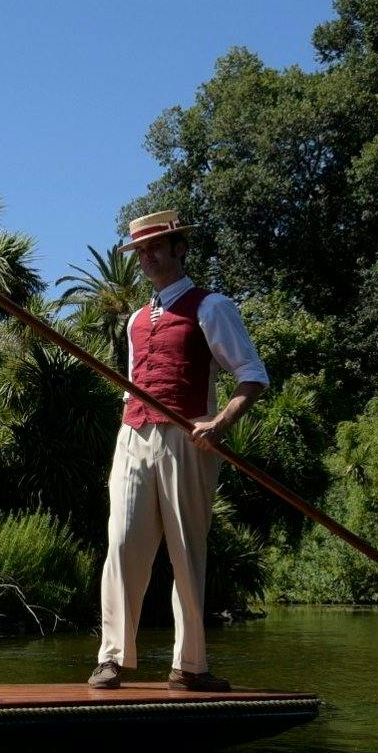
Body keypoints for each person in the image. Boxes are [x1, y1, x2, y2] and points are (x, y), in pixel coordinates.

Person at [92, 208, 270, 692]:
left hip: (188, 438)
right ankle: (111, 658)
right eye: (139, 251)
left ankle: (190, 666)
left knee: (187, 551)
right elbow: (134, 385)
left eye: (155, 247)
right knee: (123, 545)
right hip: (132, 437)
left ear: (179, 248)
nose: (146, 257)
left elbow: (251, 375)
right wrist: (128, 430)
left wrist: (220, 422)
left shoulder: (211, 306)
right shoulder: (134, 320)